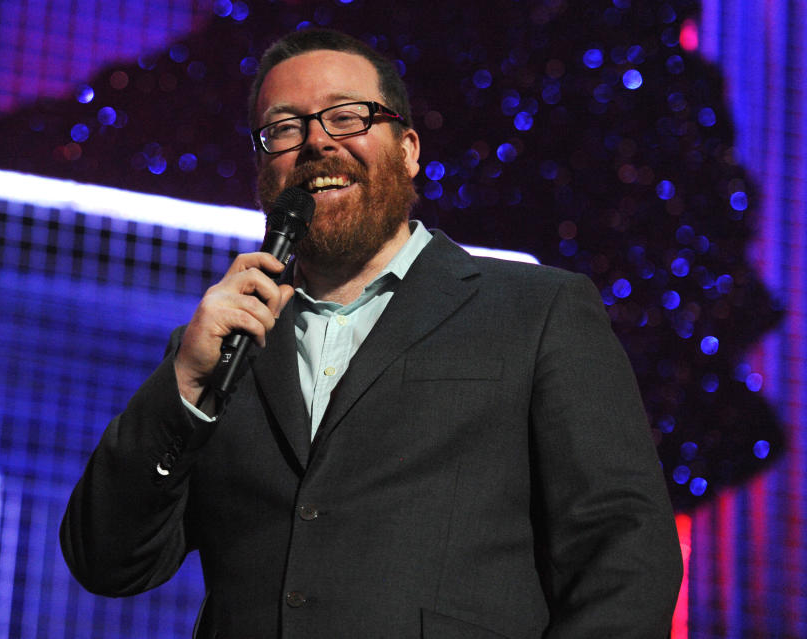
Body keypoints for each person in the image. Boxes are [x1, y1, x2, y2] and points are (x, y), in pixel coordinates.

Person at [61, 28, 683, 638]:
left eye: (348, 117)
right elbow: (108, 560)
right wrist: (184, 386)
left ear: (408, 148)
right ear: (261, 169)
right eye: (283, 128)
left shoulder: (536, 311)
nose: (315, 143)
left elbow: (624, 550)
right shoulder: (220, 348)